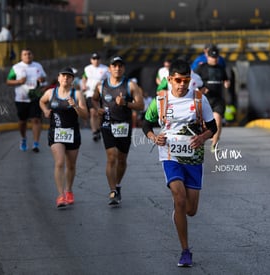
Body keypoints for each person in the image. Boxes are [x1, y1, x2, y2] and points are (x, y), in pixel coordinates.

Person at [142, 59, 217, 267]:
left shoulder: (199, 100)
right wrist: (153, 137)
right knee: (179, 196)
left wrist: (202, 138)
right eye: (177, 80)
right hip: (169, 154)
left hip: (193, 156)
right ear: (169, 79)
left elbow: (213, 127)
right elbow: (145, 122)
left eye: (185, 80)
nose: (182, 84)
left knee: (191, 210)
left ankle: (178, 213)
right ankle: (185, 251)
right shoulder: (160, 100)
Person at [92, 56, 144, 205]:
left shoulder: (131, 85)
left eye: (120, 66)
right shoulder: (101, 85)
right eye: (114, 66)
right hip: (107, 123)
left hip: (124, 125)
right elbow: (94, 99)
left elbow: (141, 105)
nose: (117, 68)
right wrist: (97, 109)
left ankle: (118, 185)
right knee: (112, 156)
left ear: (124, 68)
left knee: (121, 159)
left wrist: (126, 103)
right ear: (109, 68)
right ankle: (112, 189)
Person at [39, 67, 88, 208]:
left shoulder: (77, 94)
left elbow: (85, 116)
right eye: (63, 76)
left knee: (71, 165)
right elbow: (41, 101)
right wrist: (46, 111)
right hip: (56, 132)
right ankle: (60, 195)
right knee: (60, 162)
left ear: (72, 80)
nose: (66, 78)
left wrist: (75, 107)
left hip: (73, 133)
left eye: (69, 76)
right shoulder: (51, 92)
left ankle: (69, 191)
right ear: (59, 78)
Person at [6, 48, 47, 152]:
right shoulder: (16, 67)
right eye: (25, 54)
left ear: (32, 55)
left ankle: (36, 143)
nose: (27, 56)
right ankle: (23, 138)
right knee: (22, 121)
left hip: (35, 97)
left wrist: (41, 80)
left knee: (36, 119)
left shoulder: (38, 66)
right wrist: (19, 81)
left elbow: (44, 78)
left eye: (29, 54)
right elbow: (8, 81)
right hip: (21, 99)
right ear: (21, 56)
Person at [195, 46, 230, 152]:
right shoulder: (201, 68)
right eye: (212, 57)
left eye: (216, 57)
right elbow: (193, 81)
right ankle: (201, 140)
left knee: (218, 121)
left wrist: (227, 83)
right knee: (205, 124)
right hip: (205, 100)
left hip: (218, 100)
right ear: (207, 57)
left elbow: (226, 79)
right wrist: (201, 89)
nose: (214, 59)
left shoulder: (221, 68)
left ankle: (214, 144)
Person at [81, 52, 109, 141]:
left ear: (100, 60)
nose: (96, 61)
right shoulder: (87, 68)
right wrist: (84, 85)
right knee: (93, 112)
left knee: (99, 113)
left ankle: (98, 129)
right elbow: (84, 78)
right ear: (91, 60)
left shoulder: (105, 69)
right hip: (90, 93)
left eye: (97, 59)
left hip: (101, 93)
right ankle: (94, 131)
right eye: (94, 59)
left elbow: (110, 79)